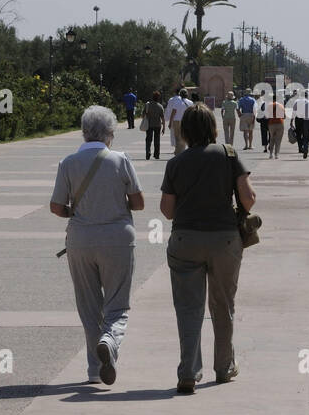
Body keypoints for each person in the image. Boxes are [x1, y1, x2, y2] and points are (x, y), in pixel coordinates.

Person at [160, 104, 256, 394]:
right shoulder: (228, 154)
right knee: (223, 305)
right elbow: (248, 199)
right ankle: (224, 368)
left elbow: (166, 211)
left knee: (189, 308)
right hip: (225, 240)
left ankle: (188, 372)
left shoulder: (176, 163)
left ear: (186, 131)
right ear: (214, 127)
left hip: (185, 240)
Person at [50, 106, 144, 386]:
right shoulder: (121, 160)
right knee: (117, 305)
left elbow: (57, 206)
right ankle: (110, 341)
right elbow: (138, 203)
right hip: (117, 238)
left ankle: (94, 370)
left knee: (89, 308)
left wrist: (77, 214)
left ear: (83, 132)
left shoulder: (67, 163)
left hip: (80, 241)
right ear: (110, 134)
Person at [141, 90, 165, 160]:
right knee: (157, 140)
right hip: (157, 125)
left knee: (148, 139)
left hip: (149, 125)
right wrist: (164, 128)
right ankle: (156, 154)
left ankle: (148, 152)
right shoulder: (160, 106)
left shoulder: (147, 105)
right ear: (158, 98)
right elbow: (162, 118)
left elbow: (143, 115)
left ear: (152, 97)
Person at [165, 87, 189, 155]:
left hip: (176, 121)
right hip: (185, 121)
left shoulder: (175, 101)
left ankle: (177, 150)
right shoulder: (190, 102)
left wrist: (169, 120)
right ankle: (182, 151)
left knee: (176, 137)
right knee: (184, 136)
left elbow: (172, 111)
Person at [266, 91, 286, 158]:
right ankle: (276, 154)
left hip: (271, 123)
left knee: (272, 139)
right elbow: (284, 116)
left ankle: (270, 154)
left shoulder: (269, 105)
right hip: (280, 123)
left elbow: (267, 116)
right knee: (278, 139)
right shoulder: (281, 106)